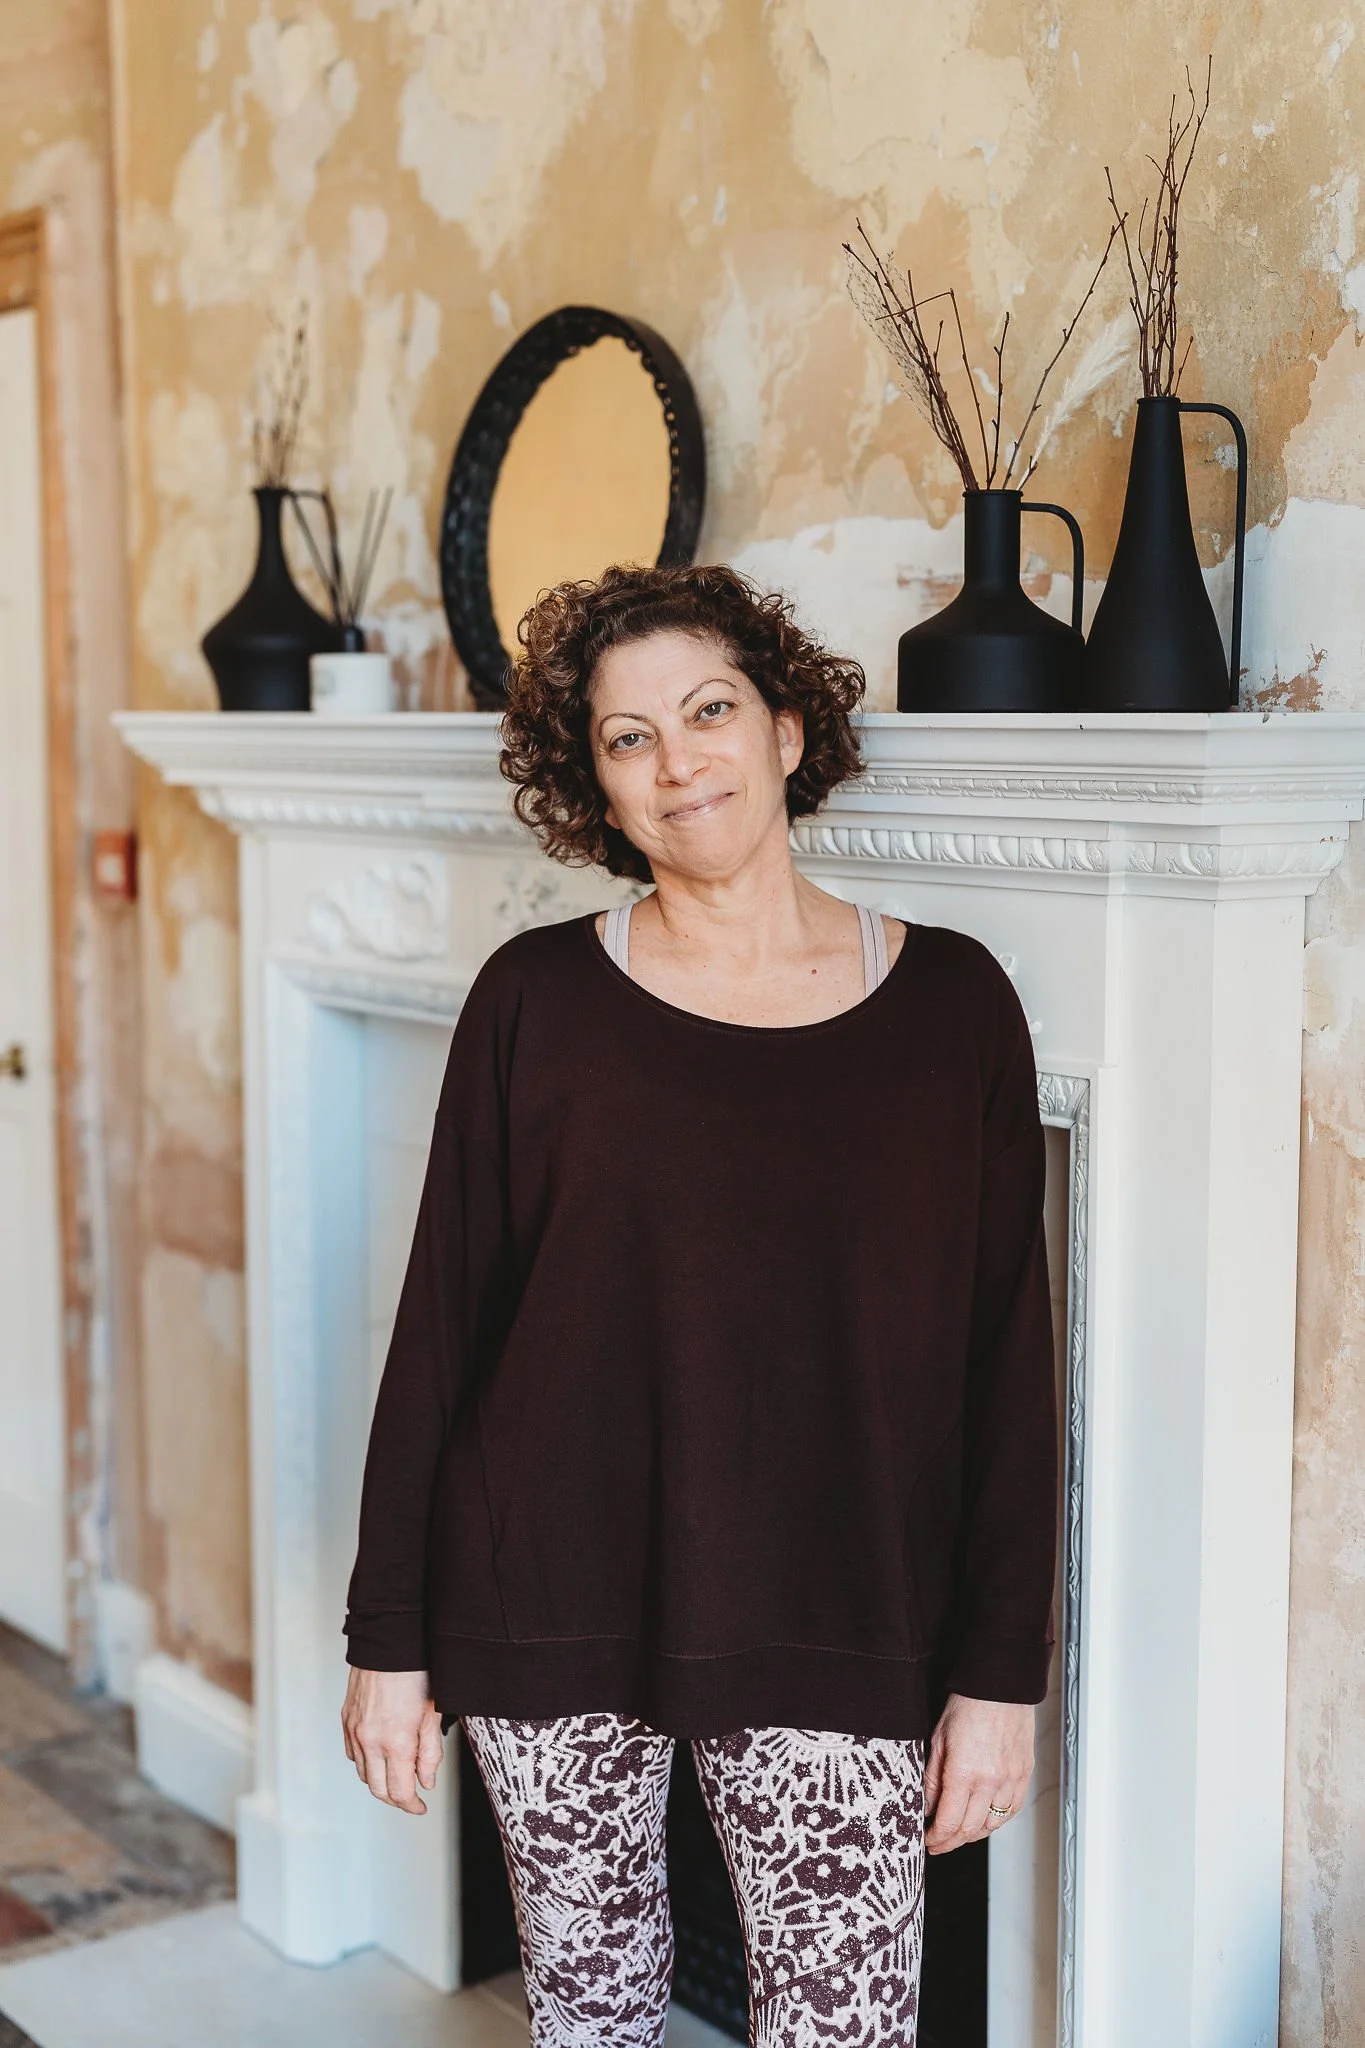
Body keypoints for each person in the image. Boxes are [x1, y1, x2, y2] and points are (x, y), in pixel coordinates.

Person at [340, 563, 1057, 2048]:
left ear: (789, 730)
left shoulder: (955, 1009)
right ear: (595, 789)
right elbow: (440, 1334)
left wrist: (1002, 1677)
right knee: (590, 2022)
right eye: (627, 738)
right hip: (550, 1606)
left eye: (711, 710)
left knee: (842, 2029)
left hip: (841, 1617)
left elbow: (1008, 1367)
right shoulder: (534, 1001)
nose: (678, 763)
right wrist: (386, 1645)